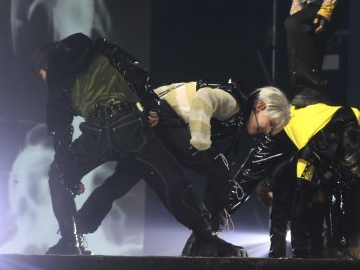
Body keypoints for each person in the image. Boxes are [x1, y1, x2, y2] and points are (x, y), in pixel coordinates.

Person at [33, 33, 246, 256]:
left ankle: (70, 240)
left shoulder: (57, 75)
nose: (44, 79)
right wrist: (151, 104)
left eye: (42, 74)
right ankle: (207, 237)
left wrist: (67, 170)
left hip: (97, 132)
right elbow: (135, 71)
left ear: (48, 64)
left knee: (58, 175)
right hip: (130, 124)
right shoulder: (101, 49)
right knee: (170, 180)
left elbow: (59, 125)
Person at [73, 80, 291, 251]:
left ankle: (76, 229)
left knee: (121, 182)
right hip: (161, 115)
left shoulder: (238, 114)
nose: (268, 132)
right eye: (271, 124)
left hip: (145, 120)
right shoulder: (234, 103)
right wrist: (200, 141)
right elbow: (204, 97)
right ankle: (204, 239)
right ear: (260, 106)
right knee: (221, 173)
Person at [207, 103, 360, 258]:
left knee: (338, 187)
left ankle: (337, 246)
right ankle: (207, 230)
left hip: (310, 135)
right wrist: (301, 254)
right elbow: (301, 205)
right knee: (248, 178)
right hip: (283, 129)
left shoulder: (356, 116)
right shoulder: (314, 151)